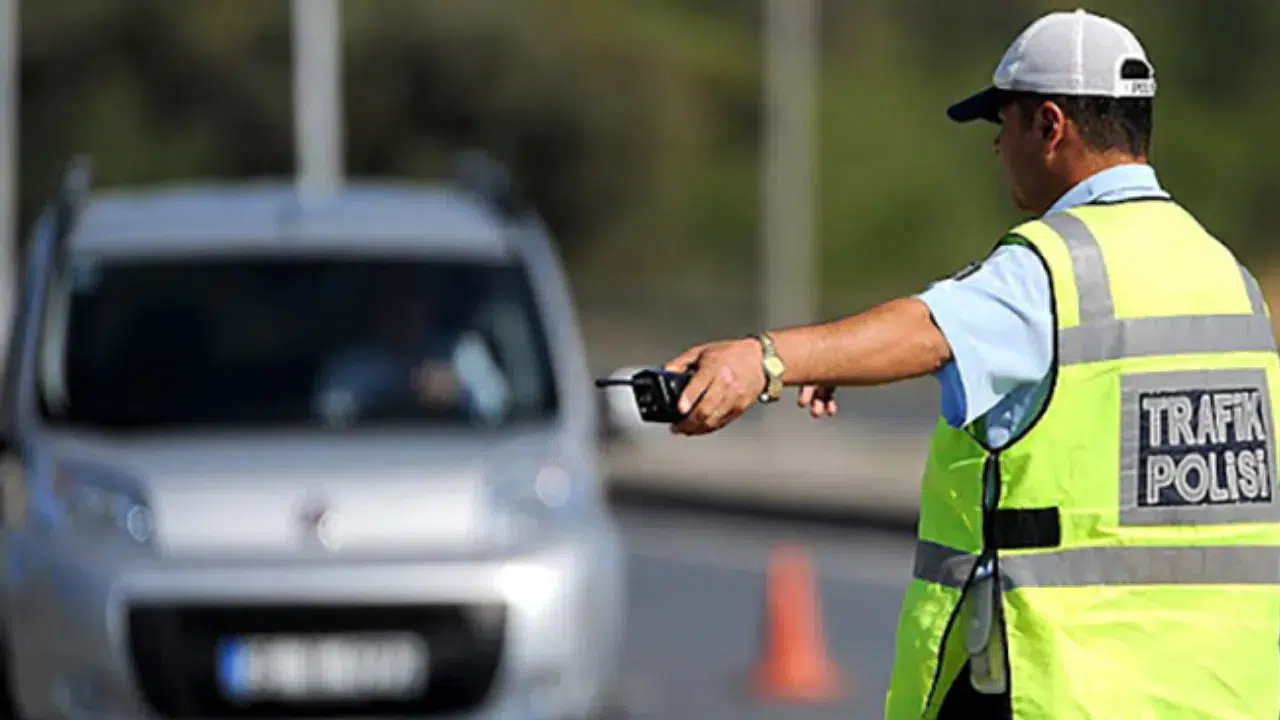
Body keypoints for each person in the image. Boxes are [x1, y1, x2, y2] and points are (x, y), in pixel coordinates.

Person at [663, 9, 1280, 719]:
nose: (996, 148)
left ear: (1050, 126)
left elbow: (929, 329)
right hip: (1225, 695)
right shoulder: (1228, 279)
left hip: (1074, 695)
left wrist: (767, 360)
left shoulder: (1056, 267)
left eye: (1004, 124)